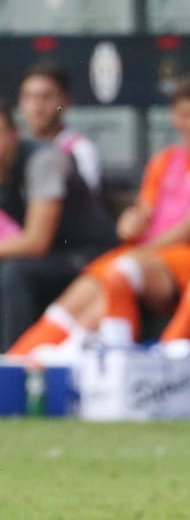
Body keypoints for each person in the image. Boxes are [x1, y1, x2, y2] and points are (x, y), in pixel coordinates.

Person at [7, 73, 190, 355]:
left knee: (117, 273)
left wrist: (140, 250)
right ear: (174, 117)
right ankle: (17, 363)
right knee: (76, 299)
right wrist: (129, 223)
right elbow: (142, 212)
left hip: (184, 259)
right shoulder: (164, 160)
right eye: (187, 115)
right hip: (145, 255)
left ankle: (113, 362)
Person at [0, 101, 116, 351]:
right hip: (54, 256)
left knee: (13, 274)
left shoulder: (43, 160)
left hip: (91, 255)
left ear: (14, 134)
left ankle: (12, 368)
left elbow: (36, 242)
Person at [17, 63, 103, 195]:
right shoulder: (14, 146)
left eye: (46, 97)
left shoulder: (80, 149)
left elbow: (85, 201)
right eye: (29, 97)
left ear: (65, 102)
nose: (37, 106)